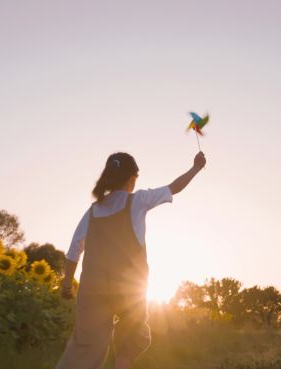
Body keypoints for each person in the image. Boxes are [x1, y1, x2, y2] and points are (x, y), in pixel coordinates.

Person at [55, 151, 207, 369]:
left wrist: (67, 284)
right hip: (128, 286)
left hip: (93, 288)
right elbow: (175, 187)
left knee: (85, 347)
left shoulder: (93, 211)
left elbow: (74, 250)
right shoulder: (138, 201)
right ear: (133, 177)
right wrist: (196, 168)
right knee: (131, 337)